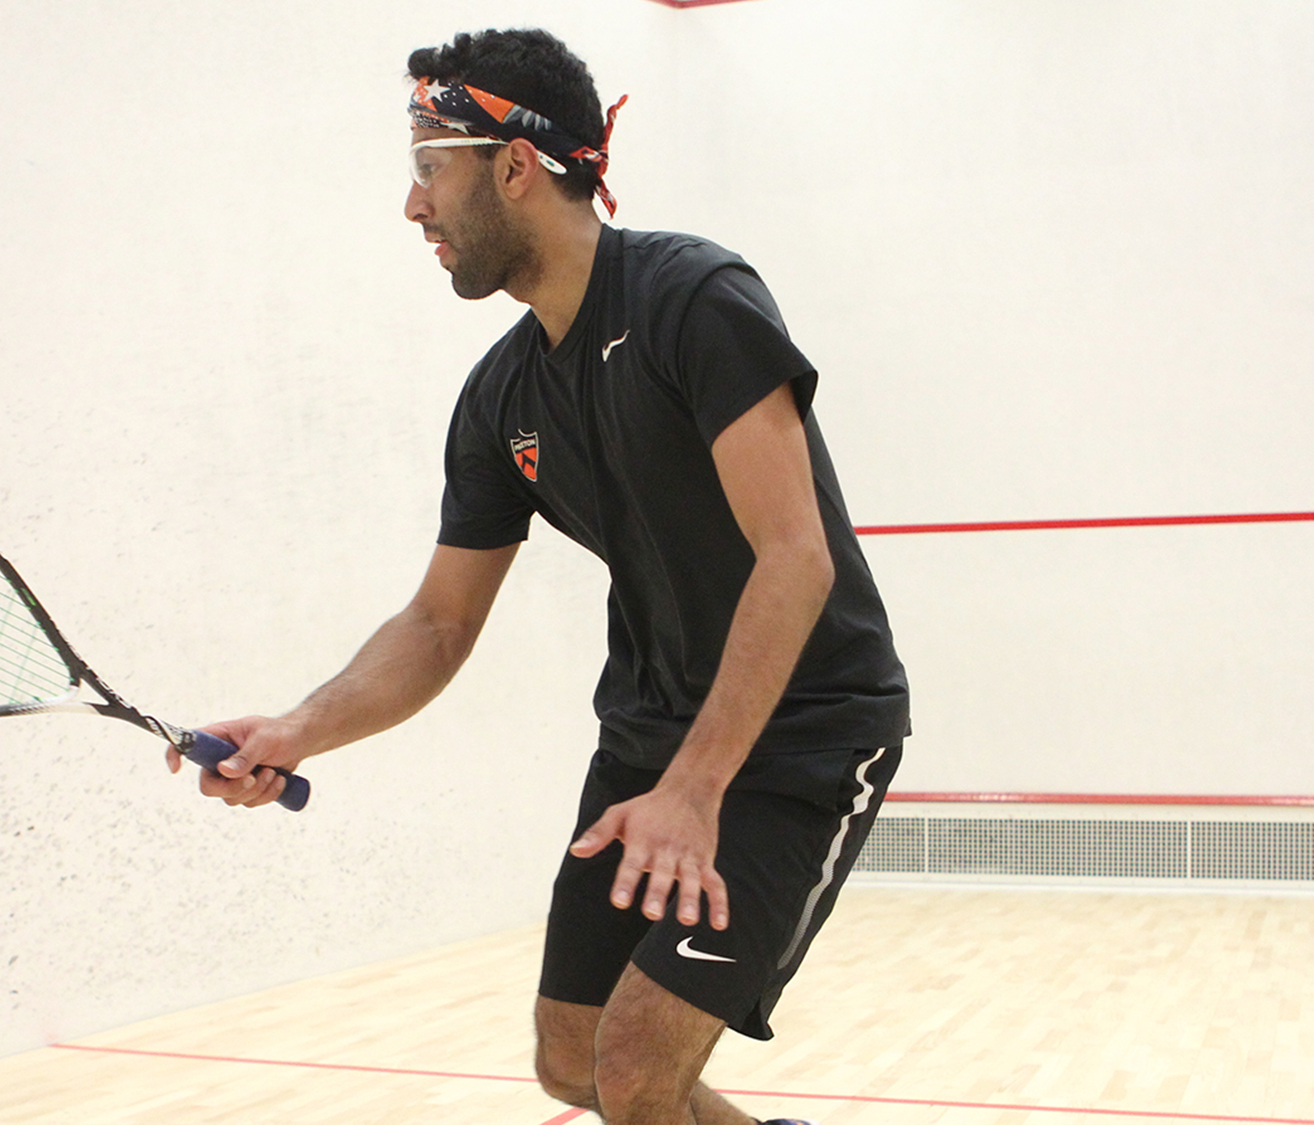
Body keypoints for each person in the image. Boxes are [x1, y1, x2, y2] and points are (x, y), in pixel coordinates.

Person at [174, 28, 910, 1125]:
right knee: (573, 1065)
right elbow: (435, 623)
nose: (411, 207)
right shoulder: (498, 399)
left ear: (513, 166)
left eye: (430, 168)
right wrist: (297, 729)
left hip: (800, 734)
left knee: (636, 1069)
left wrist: (695, 790)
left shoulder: (690, 297)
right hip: (648, 738)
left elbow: (794, 557)